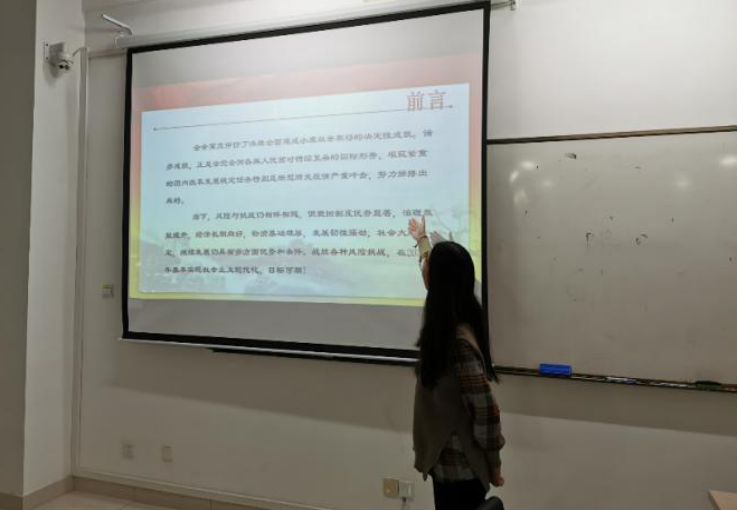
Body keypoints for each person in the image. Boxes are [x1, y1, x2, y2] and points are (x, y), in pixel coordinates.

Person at [409, 216, 505, 511]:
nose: (424, 268)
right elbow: (436, 272)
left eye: (427, 265)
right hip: (448, 462)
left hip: (460, 467)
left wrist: (494, 463)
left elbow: (486, 410)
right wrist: (422, 240)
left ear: (438, 281)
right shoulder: (452, 316)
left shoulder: (457, 343)